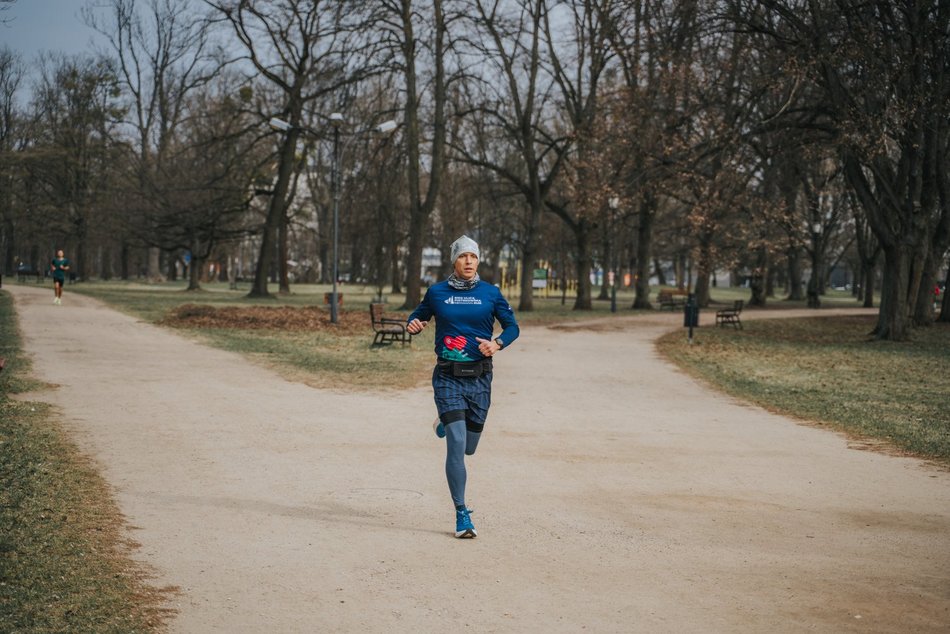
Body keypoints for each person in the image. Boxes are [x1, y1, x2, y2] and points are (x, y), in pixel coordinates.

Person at [407, 235, 519, 538]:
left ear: (479, 261)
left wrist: (496, 344)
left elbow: (513, 328)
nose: (468, 262)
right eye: (462, 257)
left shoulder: (491, 293)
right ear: (453, 261)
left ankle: (444, 422)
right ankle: (461, 514)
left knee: (469, 447)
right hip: (447, 376)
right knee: (456, 444)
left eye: (473, 257)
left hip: (480, 377)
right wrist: (413, 324)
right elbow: (418, 316)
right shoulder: (437, 293)